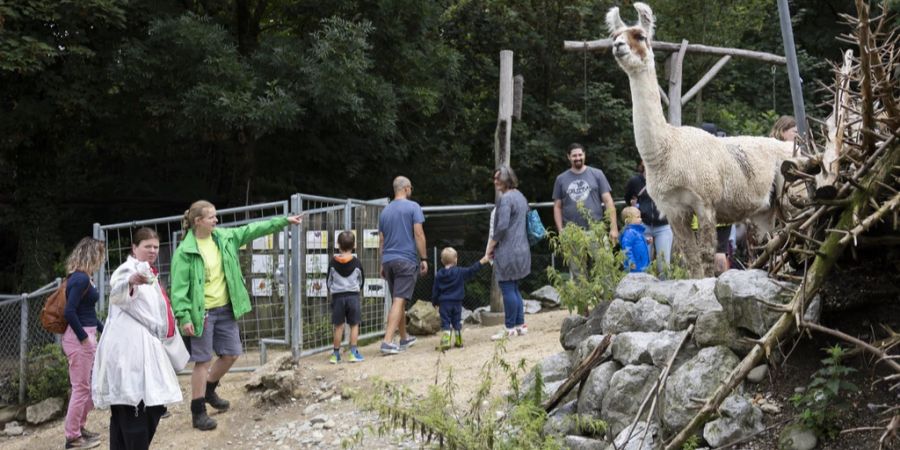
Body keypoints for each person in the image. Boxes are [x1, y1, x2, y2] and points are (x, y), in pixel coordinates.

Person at [170, 200, 302, 430]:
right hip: (202, 313)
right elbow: (179, 288)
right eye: (211, 217)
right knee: (202, 361)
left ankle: (210, 389)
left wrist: (283, 222)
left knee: (231, 354)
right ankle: (197, 411)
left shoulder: (225, 238)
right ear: (198, 221)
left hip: (226, 308)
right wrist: (184, 316)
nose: (216, 220)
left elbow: (253, 230)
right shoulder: (185, 251)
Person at [92, 228, 182, 449]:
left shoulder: (149, 272)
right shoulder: (126, 270)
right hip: (128, 351)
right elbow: (118, 291)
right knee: (134, 408)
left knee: (149, 407)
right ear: (134, 248)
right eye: (147, 246)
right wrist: (131, 282)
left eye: (155, 247)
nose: (152, 250)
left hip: (146, 346)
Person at [62, 237, 106, 449]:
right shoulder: (80, 279)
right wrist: (84, 338)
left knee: (86, 388)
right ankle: (72, 437)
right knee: (81, 388)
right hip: (79, 338)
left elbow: (86, 312)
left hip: (86, 335)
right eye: (100, 254)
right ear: (92, 254)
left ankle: (79, 428)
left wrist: (103, 330)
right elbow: (69, 312)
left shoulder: (84, 278)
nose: (101, 259)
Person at [378, 176, 427, 355]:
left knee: (397, 301)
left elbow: (381, 240)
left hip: (389, 261)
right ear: (406, 188)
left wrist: (382, 262)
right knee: (400, 300)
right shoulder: (413, 207)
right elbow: (419, 234)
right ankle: (387, 341)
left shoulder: (384, 212)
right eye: (411, 188)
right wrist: (424, 259)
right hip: (405, 260)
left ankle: (404, 338)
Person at [486, 166, 531, 340]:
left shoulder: (505, 199)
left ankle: (509, 327)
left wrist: (491, 246)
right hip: (522, 248)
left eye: (498, 178)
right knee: (514, 288)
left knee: (507, 288)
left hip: (507, 250)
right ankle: (520, 324)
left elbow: (502, 226)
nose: (495, 181)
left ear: (506, 179)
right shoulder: (521, 196)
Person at [552, 143, 619, 241]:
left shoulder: (597, 174)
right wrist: (561, 230)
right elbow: (557, 207)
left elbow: (608, 201)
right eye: (574, 156)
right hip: (572, 233)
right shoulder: (561, 179)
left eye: (580, 155)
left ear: (584, 155)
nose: (578, 158)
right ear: (568, 157)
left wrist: (614, 228)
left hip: (596, 229)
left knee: (601, 257)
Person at [432, 248, 490, 350]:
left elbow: (435, 290)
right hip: (457, 302)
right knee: (456, 320)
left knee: (445, 321)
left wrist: (435, 301)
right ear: (456, 260)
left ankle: (446, 341)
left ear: (441, 261)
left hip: (444, 303)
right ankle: (459, 340)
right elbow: (472, 270)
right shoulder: (459, 272)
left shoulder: (439, 274)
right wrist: (482, 261)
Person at [624, 160, 673, 274]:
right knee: (642, 265)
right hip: (642, 226)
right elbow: (628, 199)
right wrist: (633, 204)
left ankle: (664, 291)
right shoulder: (634, 182)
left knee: (664, 266)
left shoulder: (666, 180)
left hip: (663, 226)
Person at [326, 231, 365, 364]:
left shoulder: (332, 262)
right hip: (353, 297)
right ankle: (353, 353)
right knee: (354, 325)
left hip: (338, 298)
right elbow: (361, 281)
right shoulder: (357, 262)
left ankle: (335, 354)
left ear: (338, 245)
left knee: (338, 326)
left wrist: (334, 290)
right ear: (354, 245)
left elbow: (328, 282)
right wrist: (355, 289)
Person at [619, 207, 651, 273]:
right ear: (628, 220)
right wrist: (631, 262)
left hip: (642, 264)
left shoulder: (637, 231)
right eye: (638, 217)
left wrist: (646, 241)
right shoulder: (629, 233)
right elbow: (626, 248)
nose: (640, 219)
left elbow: (637, 243)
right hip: (635, 266)